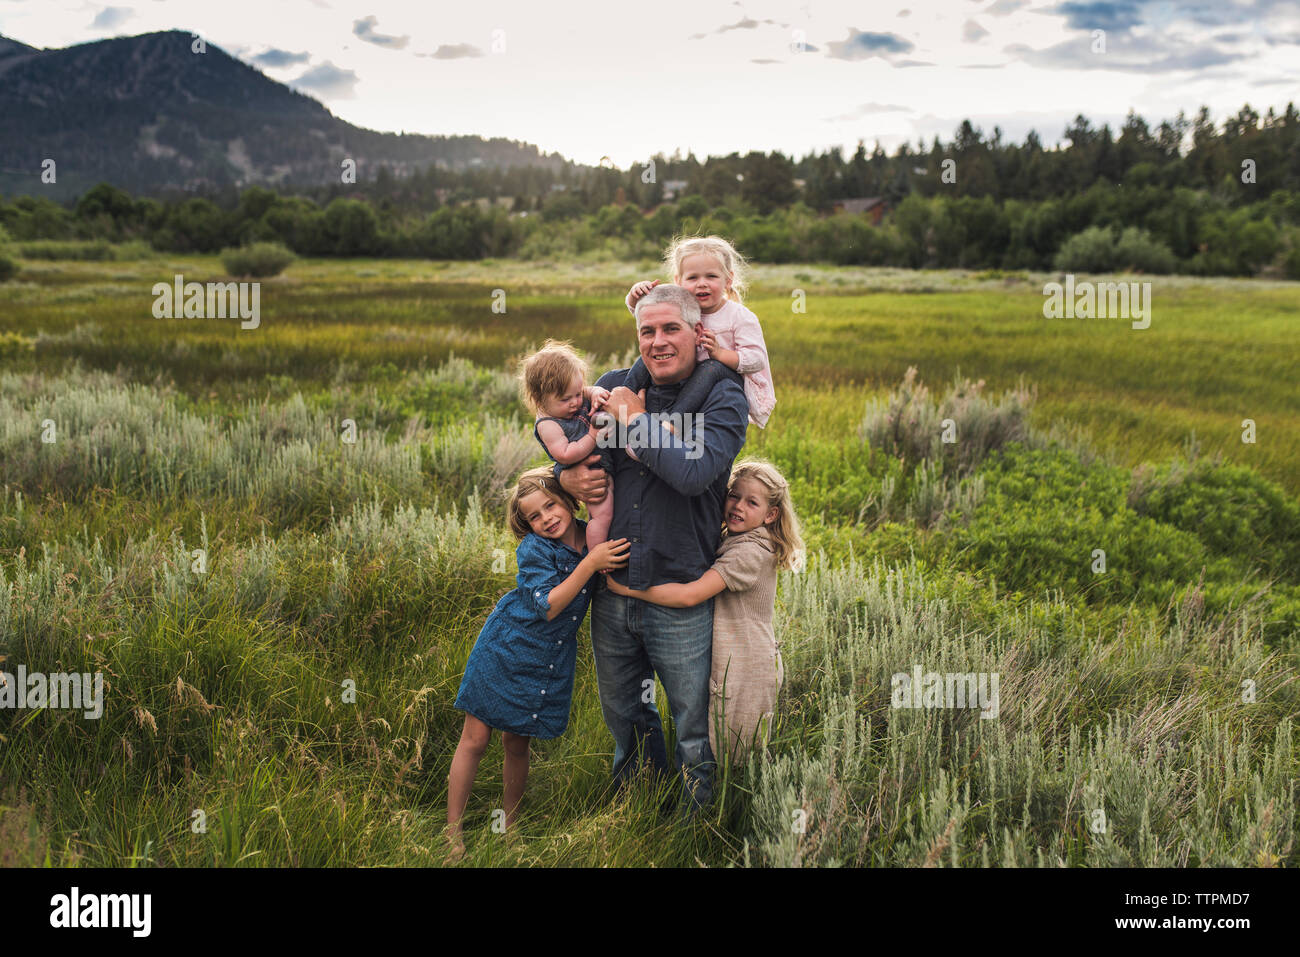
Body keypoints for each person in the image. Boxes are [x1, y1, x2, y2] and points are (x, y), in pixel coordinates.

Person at [556, 283, 749, 817]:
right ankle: (636, 814)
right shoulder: (612, 387)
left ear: (697, 332)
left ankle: (696, 828)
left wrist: (634, 420)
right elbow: (568, 450)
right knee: (626, 718)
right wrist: (566, 477)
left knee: (693, 725)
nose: (659, 341)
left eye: (671, 329)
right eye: (648, 331)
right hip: (613, 588)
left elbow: (692, 472)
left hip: (679, 591)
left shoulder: (724, 395)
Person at [446, 467, 629, 858]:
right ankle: (453, 836)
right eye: (535, 515)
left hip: (546, 658)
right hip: (505, 648)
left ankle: (509, 828)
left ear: (568, 499)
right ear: (526, 523)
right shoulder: (535, 549)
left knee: (517, 743)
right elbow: (547, 606)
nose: (546, 517)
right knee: (476, 739)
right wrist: (590, 564)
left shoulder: (593, 535)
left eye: (551, 505)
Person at [606, 460, 804, 763]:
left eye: (752, 502)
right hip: (736, 654)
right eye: (734, 496)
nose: (738, 506)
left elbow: (689, 596)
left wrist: (626, 587)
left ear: (771, 514)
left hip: (746, 662)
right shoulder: (739, 538)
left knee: (735, 745)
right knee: (723, 736)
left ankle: (719, 806)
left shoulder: (749, 553)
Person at [623, 235, 776, 430]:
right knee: (652, 349)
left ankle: (671, 423)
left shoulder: (739, 316)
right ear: (679, 282)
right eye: (693, 277)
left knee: (710, 366)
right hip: (688, 377)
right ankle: (624, 395)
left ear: (728, 280)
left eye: (711, 276)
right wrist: (635, 296)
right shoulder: (681, 307)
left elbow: (756, 359)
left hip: (724, 377)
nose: (702, 283)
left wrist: (721, 354)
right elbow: (647, 315)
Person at [519, 340, 616, 554]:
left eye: (578, 394)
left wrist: (595, 393)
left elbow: (586, 390)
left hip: (604, 459)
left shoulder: (572, 397)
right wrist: (592, 435)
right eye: (565, 399)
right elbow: (565, 455)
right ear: (539, 400)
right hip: (590, 472)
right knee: (602, 516)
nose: (575, 403)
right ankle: (597, 556)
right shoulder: (548, 425)